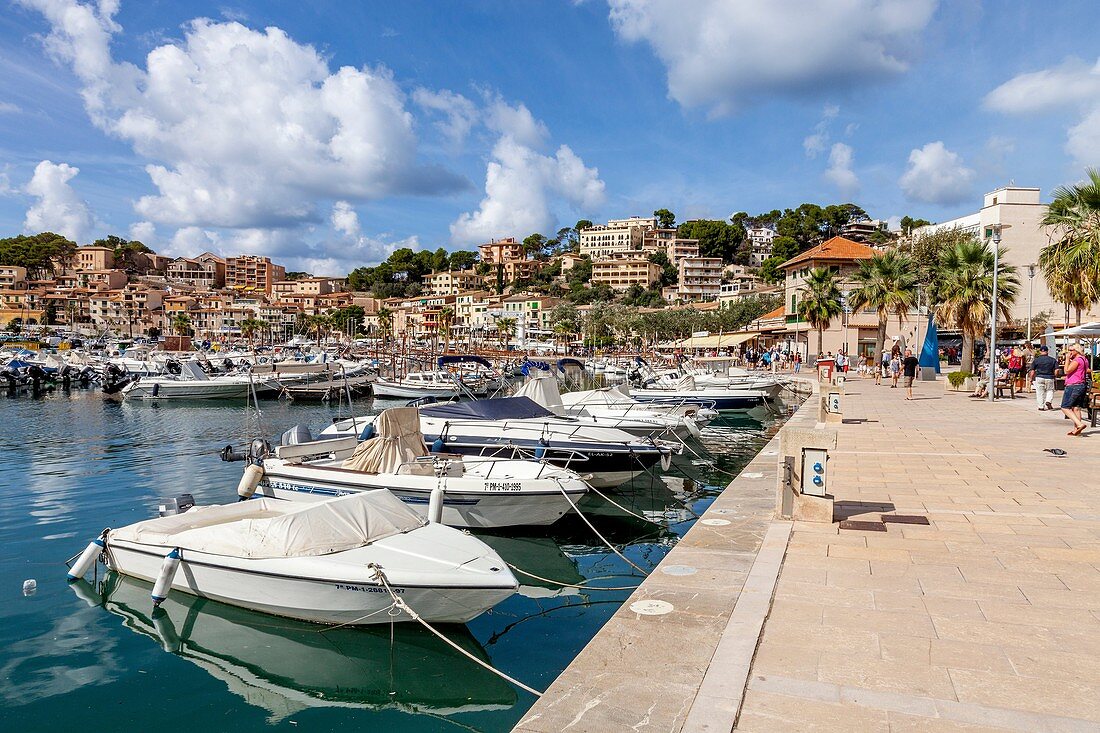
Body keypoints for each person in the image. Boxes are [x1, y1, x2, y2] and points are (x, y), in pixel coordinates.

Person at [1061, 342, 1090, 436]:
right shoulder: (1084, 359)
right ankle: (1077, 430)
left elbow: (1067, 371)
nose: (1069, 352)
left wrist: (1067, 359)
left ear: (1076, 350)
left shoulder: (1077, 360)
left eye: (1071, 350)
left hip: (1073, 385)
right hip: (1081, 385)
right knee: (1076, 408)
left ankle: (1080, 424)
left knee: (1065, 407)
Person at [1030, 345, 1057, 411]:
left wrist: (1031, 379)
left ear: (1040, 352)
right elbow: (1057, 370)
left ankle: (1041, 406)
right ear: (1047, 351)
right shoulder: (1053, 360)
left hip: (1039, 377)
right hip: (1049, 377)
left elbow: (1032, 371)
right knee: (1050, 390)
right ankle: (1048, 401)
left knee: (1039, 392)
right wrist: (1055, 376)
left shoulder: (1036, 360)